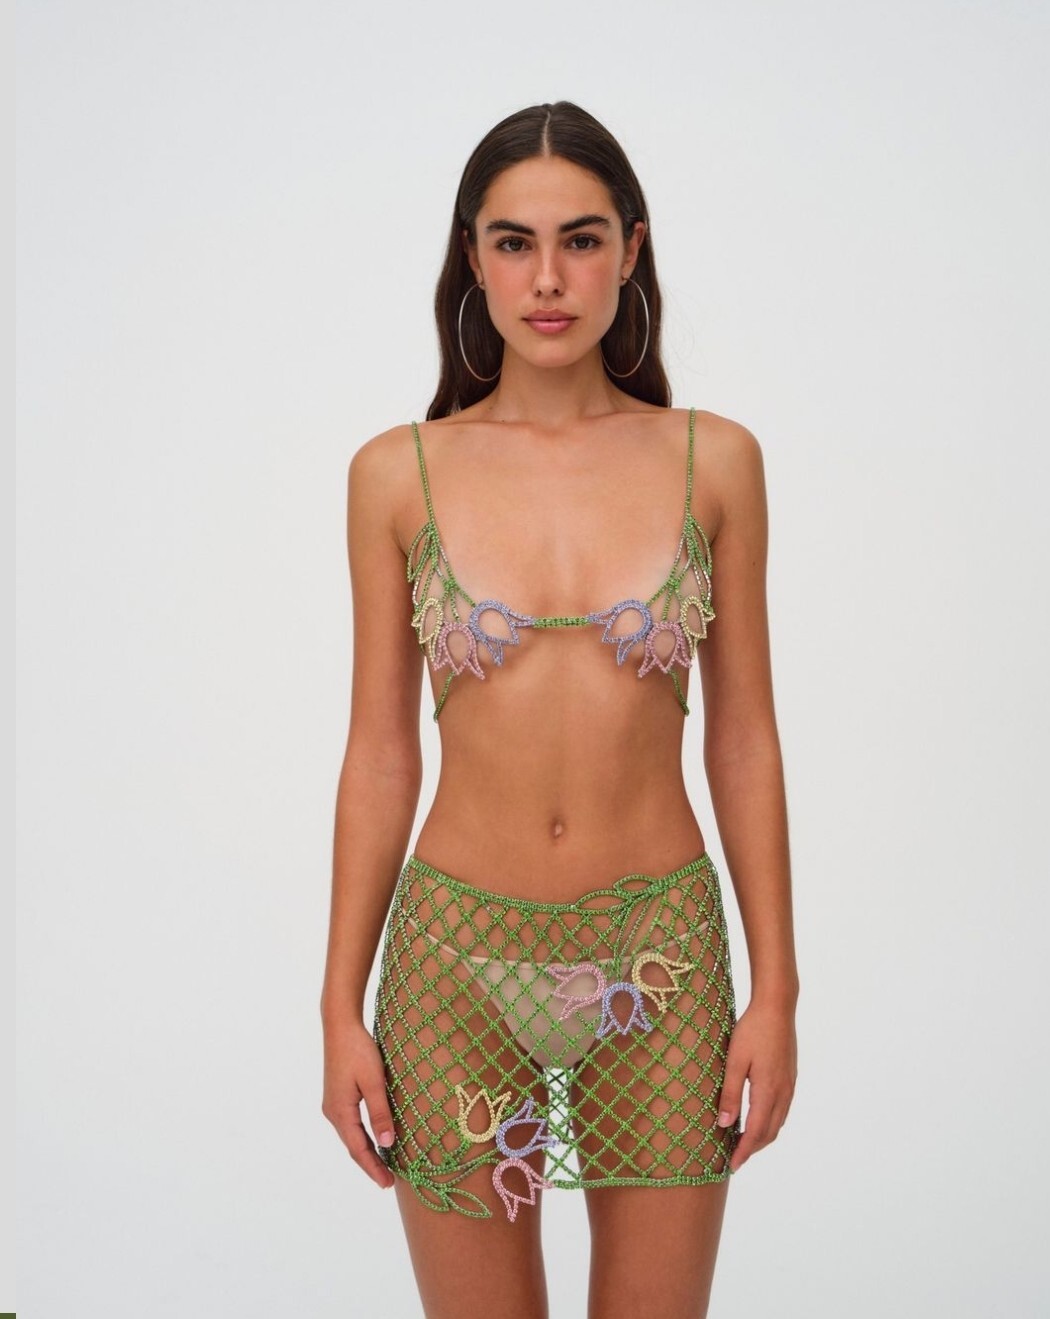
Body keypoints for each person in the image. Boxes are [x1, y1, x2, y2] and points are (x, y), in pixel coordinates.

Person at [321, 100, 799, 1319]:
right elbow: (381, 752)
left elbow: (744, 737)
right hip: (450, 964)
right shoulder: (396, 473)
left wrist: (778, 988)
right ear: (472, 257)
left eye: (581, 240)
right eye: (514, 242)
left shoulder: (714, 460)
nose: (548, 278)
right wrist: (337, 1004)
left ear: (630, 251)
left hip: (663, 960)